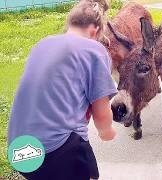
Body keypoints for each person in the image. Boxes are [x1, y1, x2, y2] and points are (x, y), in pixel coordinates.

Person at [7, 0, 116, 179]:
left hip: (19, 153)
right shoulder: (94, 50)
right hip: (54, 152)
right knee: (88, 174)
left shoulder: (42, 44)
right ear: (95, 31)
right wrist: (107, 131)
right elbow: (101, 113)